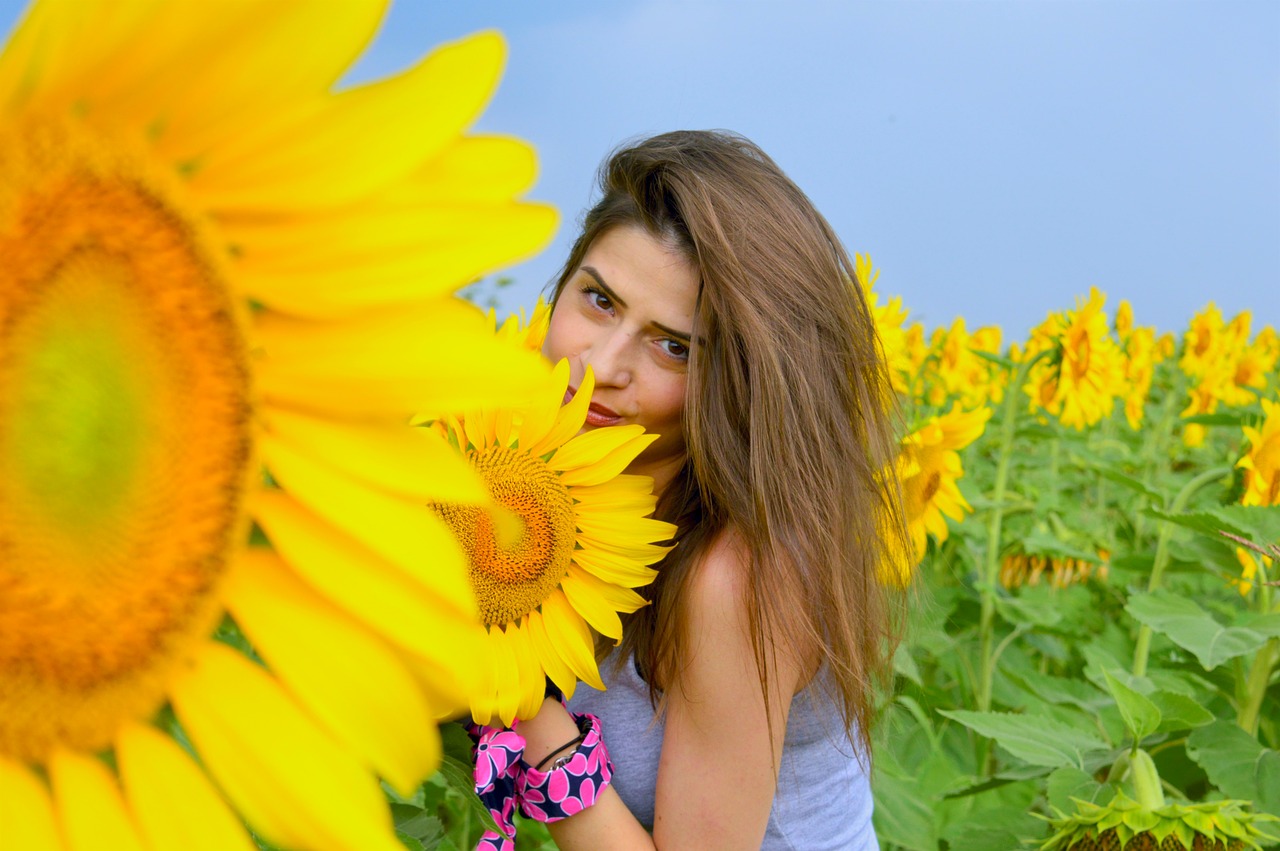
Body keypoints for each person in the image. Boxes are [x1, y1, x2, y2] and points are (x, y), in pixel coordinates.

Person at [473, 129, 909, 850]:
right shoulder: (524, 463)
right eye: (599, 300)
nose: (602, 365)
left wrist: (523, 703)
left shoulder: (735, 578)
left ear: (740, 383)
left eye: (674, 345)